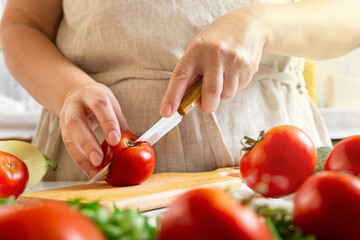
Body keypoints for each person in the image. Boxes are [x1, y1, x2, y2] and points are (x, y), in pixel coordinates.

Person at [0, 0, 359, 181]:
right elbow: (21, 23)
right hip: (87, 167)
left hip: (276, 166)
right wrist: (69, 90)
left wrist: (260, 24)